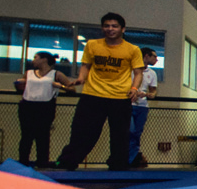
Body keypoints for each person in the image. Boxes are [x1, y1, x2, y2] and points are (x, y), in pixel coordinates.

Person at [56, 12, 144, 172]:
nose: (110, 29)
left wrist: (134, 89)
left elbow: (138, 72)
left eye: (114, 26)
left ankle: (118, 165)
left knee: (120, 135)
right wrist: (82, 78)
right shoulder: (92, 45)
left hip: (120, 97)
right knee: (82, 131)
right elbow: (86, 65)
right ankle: (67, 162)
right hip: (92, 94)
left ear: (123, 29)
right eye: (107, 26)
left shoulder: (132, 49)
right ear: (102, 28)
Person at [14, 51, 76, 167]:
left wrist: (60, 86)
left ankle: (42, 161)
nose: (33, 60)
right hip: (28, 105)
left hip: (45, 106)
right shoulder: (29, 73)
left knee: (42, 135)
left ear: (44, 59)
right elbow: (23, 87)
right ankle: (23, 161)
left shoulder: (56, 74)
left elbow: (72, 89)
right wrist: (19, 84)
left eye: (35, 57)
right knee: (26, 135)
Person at [128, 47, 159, 167]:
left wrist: (147, 94)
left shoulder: (152, 73)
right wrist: (132, 92)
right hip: (129, 104)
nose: (156, 59)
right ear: (146, 56)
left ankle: (133, 158)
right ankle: (127, 157)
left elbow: (153, 91)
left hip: (142, 106)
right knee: (129, 131)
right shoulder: (131, 70)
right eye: (154, 56)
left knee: (137, 132)